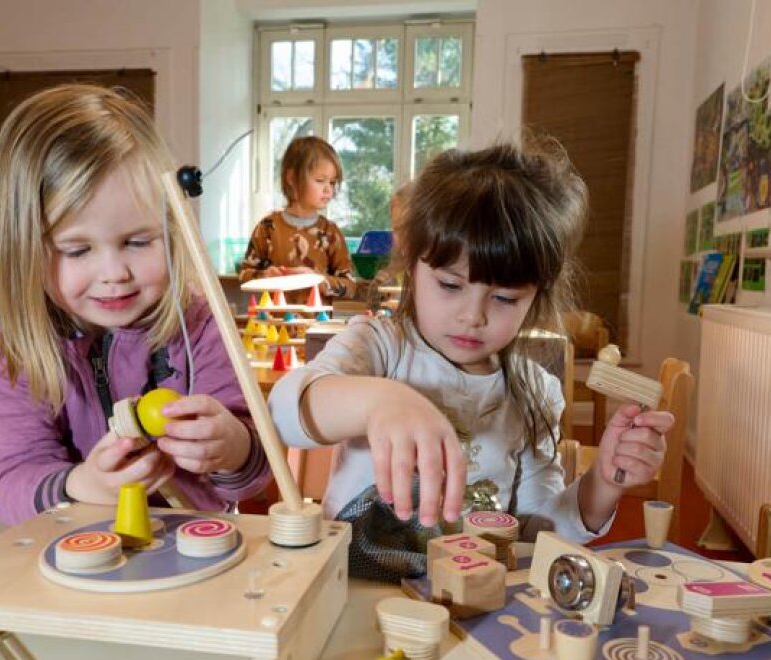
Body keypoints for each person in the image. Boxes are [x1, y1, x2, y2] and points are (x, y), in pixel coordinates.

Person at [269, 142, 674, 578]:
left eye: (503, 297)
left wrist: (605, 482)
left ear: (536, 296)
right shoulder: (380, 347)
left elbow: (541, 531)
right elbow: (284, 411)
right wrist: (381, 402)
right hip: (357, 589)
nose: (472, 315)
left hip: (470, 602)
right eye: (449, 285)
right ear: (413, 267)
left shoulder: (535, 390)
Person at [0, 84, 270, 525]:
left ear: (169, 228)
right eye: (77, 250)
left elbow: (252, 476)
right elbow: (10, 482)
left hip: (198, 551)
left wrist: (233, 447)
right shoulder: (5, 347)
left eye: (136, 241)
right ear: (23, 248)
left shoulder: (200, 324)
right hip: (75, 554)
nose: (114, 273)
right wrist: (81, 486)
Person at [237, 136, 357, 300]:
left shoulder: (331, 233)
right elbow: (244, 275)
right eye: (320, 181)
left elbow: (350, 287)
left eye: (332, 182)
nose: (328, 190)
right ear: (292, 178)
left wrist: (317, 280)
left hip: (319, 325)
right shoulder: (268, 227)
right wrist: (265, 276)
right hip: (274, 324)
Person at [363, 182, 413, 313]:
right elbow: (371, 323)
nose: (404, 236)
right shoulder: (382, 283)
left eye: (410, 228)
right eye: (397, 229)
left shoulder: (440, 281)